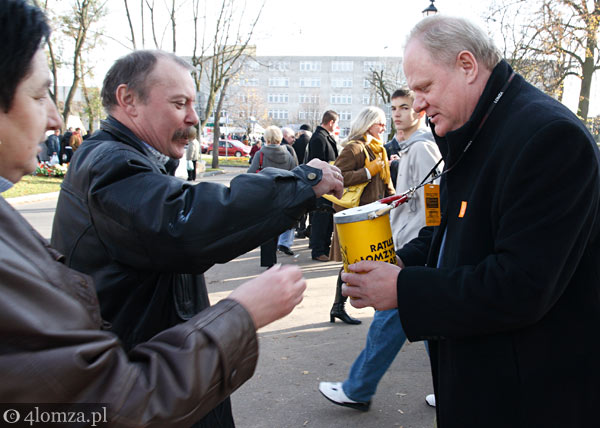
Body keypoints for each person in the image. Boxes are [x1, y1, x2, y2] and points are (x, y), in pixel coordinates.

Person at [0, 1, 331, 426]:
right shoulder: (109, 163)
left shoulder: (129, 159)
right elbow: (184, 223)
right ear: (128, 101)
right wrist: (242, 313)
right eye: (179, 103)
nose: (55, 118)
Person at [341, 15, 600, 428]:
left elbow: (521, 286)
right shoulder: (479, 129)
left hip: (528, 398)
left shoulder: (548, 138)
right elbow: (449, 231)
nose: (419, 105)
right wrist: (403, 262)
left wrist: (403, 289)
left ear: (467, 65)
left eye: (425, 88)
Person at [319, 89, 442, 410]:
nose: (397, 114)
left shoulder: (422, 148)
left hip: (414, 247)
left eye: (404, 108)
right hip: (409, 243)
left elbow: (434, 199)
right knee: (424, 321)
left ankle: (357, 389)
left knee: (390, 319)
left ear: (417, 111)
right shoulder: (409, 148)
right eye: (394, 108)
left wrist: (426, 239)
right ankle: (451, 387)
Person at [326, 106, 395, 325]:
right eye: (379, 123)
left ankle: (342, 307)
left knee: (363, 261)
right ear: (367, 124)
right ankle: (340, 306)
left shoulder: (379, 149)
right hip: (356, 217)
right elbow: (338, 176)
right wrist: (368, 172)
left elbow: (384, 183)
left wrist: (393, 197)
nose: (384, 127)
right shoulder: (355, 148)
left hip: (374, 215)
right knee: (354, 262)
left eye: (385, 122)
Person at [248, 125, 298, 267]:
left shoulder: (260, 154)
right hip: (282, 195)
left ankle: (269, 260)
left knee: (266, 228)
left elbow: (251, 173)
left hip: (265, 195)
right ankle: (277, 252)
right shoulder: (288, 154)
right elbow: (294, 173)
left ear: (267, 138)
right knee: (277, 226)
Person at [306, 110, 339, 261]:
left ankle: (324, 248)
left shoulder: (323, 137)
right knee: (321, 217)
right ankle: (319, 251)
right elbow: (317, 164)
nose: (336, 126)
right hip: (322, 185)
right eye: (336, 123)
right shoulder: (318, 138)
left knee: (326, 217)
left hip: (327, 185)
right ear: (331, 122)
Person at [277, 125, 300, 255]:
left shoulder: (262, 151)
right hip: (287, 188)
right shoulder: (289, 150)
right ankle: (284, 243)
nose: (294, 139)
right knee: (289, 216)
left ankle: (275, 244)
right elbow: (295, 169)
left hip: (270, 189)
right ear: (284, 136)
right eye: (292, 136)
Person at [295, 124, 313, 238]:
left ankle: (300, 228)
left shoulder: (296, 143)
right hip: (310, 175)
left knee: (299, 204)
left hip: (298, 174)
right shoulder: (311, 142)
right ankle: (308, 228)